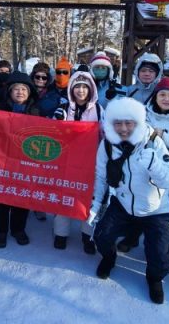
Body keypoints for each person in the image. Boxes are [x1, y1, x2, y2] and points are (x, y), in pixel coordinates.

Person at [90, 97, 169, 304]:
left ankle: (154, 278)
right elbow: (101, 176)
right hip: (123, 203)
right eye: (118, 123)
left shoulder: (152, 141)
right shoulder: (108, 145)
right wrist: (96, 206)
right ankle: (109, 258)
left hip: (156, 209)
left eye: (129, 123)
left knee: (160, 255)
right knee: (101, 236)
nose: (123, 129)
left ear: (138, 122)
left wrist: (154, 164)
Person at [116, 76, 169, 253]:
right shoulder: (142, 113)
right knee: (136, 205)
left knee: (162, 216)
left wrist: (163, 135)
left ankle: (156, 247)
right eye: (162, 95)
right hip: (140, 172)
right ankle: (132, 237)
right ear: (155, 95)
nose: (166, 99)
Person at [52, 69, 103, 254]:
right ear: (71, 89)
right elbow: (52, 132)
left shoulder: (99, 110)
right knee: (64, 195)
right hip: (66, 161)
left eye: (85, 87)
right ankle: (60, 233)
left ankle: (87, 234)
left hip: (91, 161)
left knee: (88, 198)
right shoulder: (64, 108)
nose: (81, 90)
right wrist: (57, 121)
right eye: (77, 87)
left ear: (91, 89)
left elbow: (105, 134)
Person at [0, 71, 39, 247]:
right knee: (0, 195)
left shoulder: (35, 111)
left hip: (25, 161)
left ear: (29, 92)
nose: (20, 92)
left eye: (24, 89)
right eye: (16, 89)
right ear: (9, 91)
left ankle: (18, 229)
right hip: (1, 159)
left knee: (22, 196)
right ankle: (0, 231)